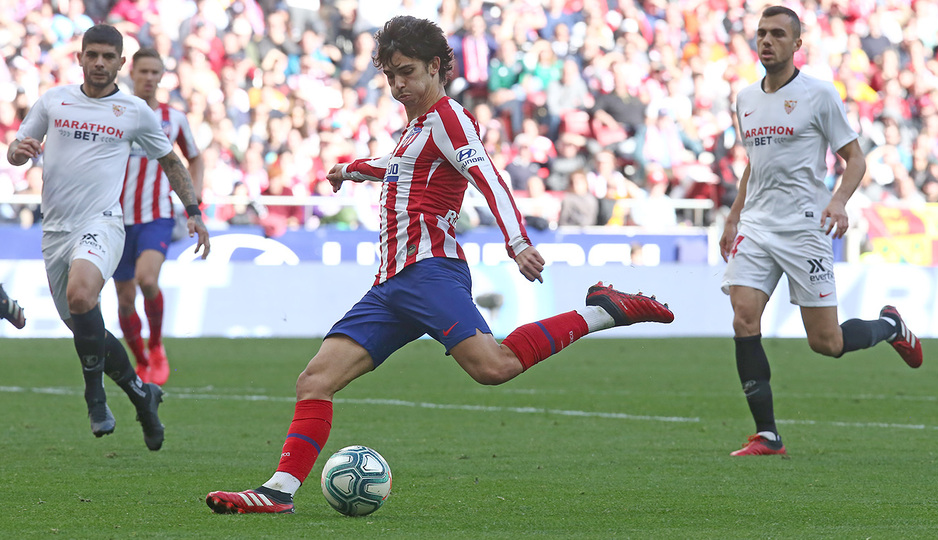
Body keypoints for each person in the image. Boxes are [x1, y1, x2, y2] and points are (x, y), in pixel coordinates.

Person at [206, 15, 674, 515]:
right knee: (314, 381)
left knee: (494, 367)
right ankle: (278, 492)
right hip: (391, 284)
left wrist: (517, 242)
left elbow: (487, 176)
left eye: (406, 72)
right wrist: (351, 169)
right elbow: (397, 167)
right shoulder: (418, 128)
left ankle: (603, 310)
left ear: (435, 66)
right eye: (390, 76)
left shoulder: (451, 119)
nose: (397, 85)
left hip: (430, 271)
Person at [719, 6, 922, 458]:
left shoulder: (819, 94)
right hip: (757, 225)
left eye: (777, 34)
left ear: (797, 44)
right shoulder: (745, 98)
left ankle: (890, 326)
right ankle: (767, 435)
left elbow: (856, 158)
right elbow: (754, 163)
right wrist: (734, 216)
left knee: (826, 343)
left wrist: (838, 201)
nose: (767, 40)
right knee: (743, 317)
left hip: (804, 228)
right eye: (761, 33)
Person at [6, 24, 210, 450]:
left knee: (82, 296)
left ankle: (94, 397)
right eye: (92, 55)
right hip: (55, 231)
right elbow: (19, 146)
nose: (99, 63)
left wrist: (193, 212)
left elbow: (172, 162)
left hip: (102, 222)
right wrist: (18, 151)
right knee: (86, 328)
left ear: (120, 63)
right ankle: (141, 394)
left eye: (108, 57)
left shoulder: (133, 111)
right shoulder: (54, 100)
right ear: (80, 57)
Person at [114, 47, 205, 386]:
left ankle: (156, 346)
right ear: (132, 73)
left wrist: (194, 200)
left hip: (157, 215)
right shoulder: (116, 112)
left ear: (162, 76)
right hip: (114, 219)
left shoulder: (173, 118)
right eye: (144, 72)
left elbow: (195, 158)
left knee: (147, 280)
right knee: (124, 299)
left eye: (155, 72)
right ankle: (140, 359)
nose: (149, 78)